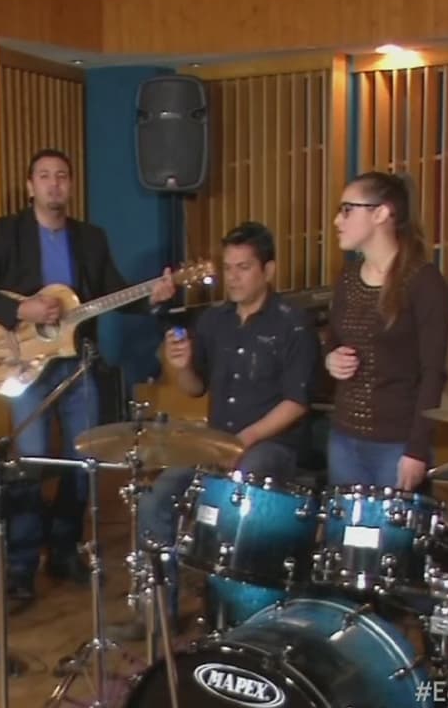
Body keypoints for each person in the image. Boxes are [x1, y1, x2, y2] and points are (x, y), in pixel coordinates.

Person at [0, 148, 175, 602]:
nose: (54, 183)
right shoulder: (8, 232)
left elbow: (113, 292)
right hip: (23, 363)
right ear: (30, 185)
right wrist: (23, 310)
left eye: (61, 176)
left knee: (83, 463)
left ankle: (64, 548)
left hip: (78, 365)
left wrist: (152, 296)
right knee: (32, 465)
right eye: (44, 176)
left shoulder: (90, 238)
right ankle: (21, 564)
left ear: (71, 185)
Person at [106, 221, 322, 639]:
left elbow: (296, 402)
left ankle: (235, 613)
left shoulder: (293, 324)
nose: (233, 277)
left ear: (268, 270)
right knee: (155, 499)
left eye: (244, 267)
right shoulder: (213, 321)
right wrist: (182, 365)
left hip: (272, 444)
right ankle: (157, 615)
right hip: (217, 442)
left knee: (238, 490)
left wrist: (245, 440)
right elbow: (194, 388)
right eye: (228, 268)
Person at [324, 171, 448, 489]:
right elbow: (333, 341)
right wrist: (331, 359)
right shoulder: (347, 278)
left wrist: (417, 449)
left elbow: (433, 373)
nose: (337, 221)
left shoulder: (424, 282)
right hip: (344, 438)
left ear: (381, 213)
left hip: (397, 443)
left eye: (347, 210)